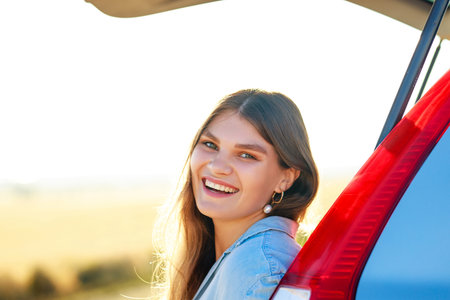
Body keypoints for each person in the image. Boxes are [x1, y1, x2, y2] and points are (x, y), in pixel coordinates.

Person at [153, 89, 318, 300]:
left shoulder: (259, 272)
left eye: (246, 155)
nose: (217, 167)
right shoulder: (242, 260)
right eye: (210, 145)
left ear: (285, 179)